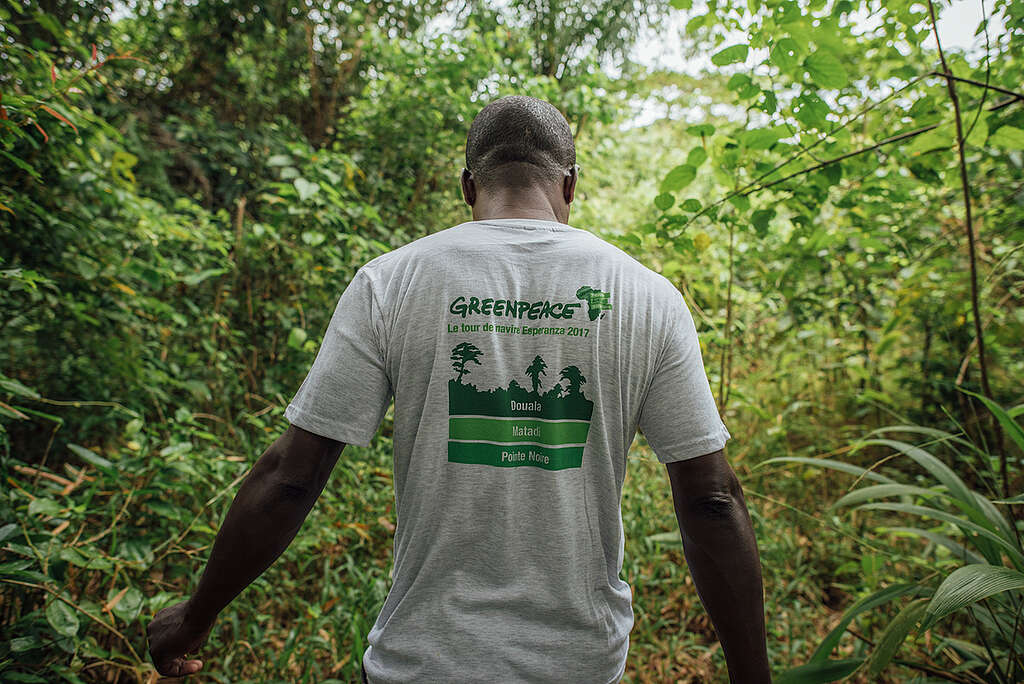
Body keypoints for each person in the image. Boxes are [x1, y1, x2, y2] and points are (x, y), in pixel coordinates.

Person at [146, 95, 770, 683]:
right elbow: (711, 501)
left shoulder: (391, 282)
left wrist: (195, 619)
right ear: (571, 187)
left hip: (422, 659)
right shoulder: (649, 298)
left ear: (467, 185)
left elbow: (291, 477)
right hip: (578, 663)